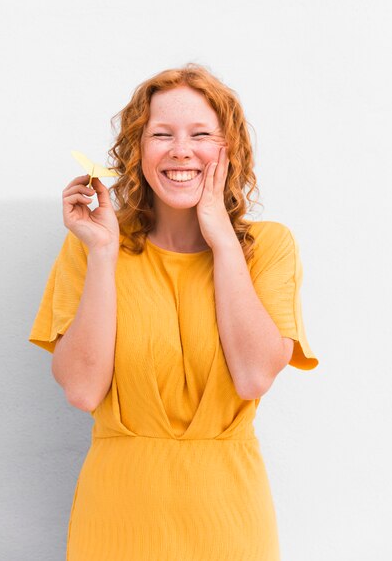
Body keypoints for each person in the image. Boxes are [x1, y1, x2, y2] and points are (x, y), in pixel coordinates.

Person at [28, 63, 319, 561]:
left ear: (230, 150)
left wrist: (221, 237)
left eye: (201, 134)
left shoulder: (268, 247)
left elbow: (252, 377)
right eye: (161, 134)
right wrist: (102, 253)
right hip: (118, 516)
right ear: (138, 151)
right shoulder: (94, 246)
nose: (181, 150)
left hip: (227, 517)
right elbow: (81, 390)